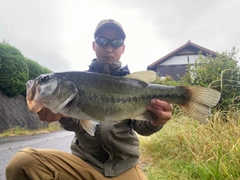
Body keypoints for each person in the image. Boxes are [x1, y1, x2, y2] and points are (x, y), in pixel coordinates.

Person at [6, 19, 172, 180]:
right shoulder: (79, 81)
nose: (108, 48)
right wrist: (62, 115)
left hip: (124, 167)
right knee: (23, 162)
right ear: (94, 45)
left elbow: (141, 127)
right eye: (102, 41)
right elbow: (80, 125)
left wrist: (156, 121)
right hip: (81, 165)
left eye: (115, 42)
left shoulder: (134, 85)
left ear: (123, 48)